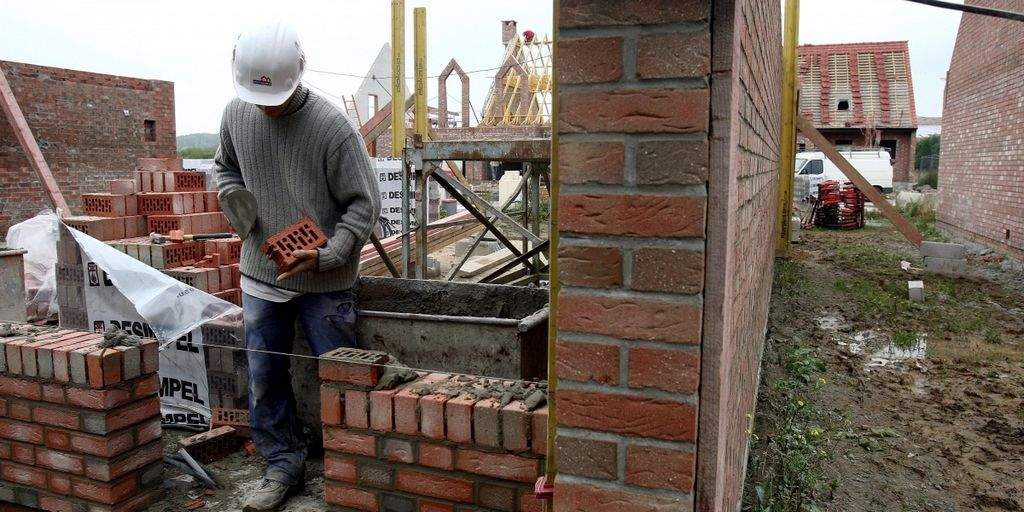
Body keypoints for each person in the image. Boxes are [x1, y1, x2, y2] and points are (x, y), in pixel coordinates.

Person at [213, 21, 380, 512]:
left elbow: (363, 205)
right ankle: (282, 465)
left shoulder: (332, 129)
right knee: (265, 375)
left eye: (275, 99)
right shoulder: (235, 114)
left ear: (297, 75)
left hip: (326, 278)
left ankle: (355, 462)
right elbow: (226, 167)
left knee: (341, 374)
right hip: (262, 274)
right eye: (258, 98)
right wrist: (231, 197)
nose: (267, 108)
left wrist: (328, 254)